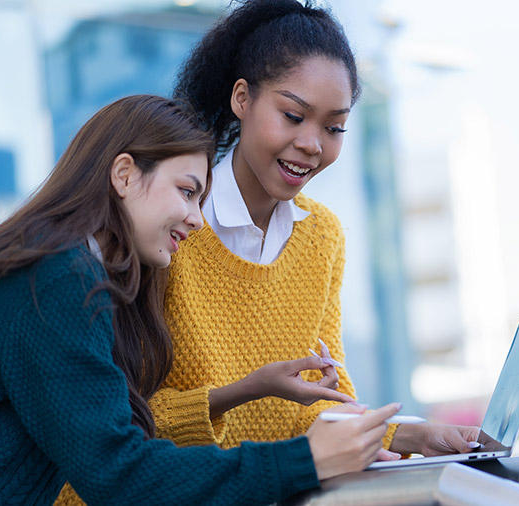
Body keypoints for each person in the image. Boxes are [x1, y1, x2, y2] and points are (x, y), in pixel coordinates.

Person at [0, 94, 400, 506]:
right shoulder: (55, 277)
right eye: (185, 191)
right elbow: (119, 474)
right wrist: (303, 461)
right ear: (124, 175)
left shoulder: (55, 266)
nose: (197, 219)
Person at [158, 0, 481, 465]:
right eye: (293, 116)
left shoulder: (322, 235)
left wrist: (414, 438)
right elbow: (124, 419)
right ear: (242, 99)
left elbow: (322, 401)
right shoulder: (172, 221)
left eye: (334, 127)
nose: (312, 144)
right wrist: (244, 392)